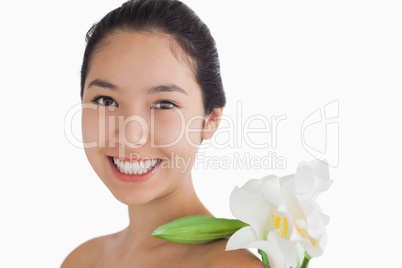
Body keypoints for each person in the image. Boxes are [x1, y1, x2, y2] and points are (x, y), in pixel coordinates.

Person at [62, 0, 264, 267]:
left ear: (210, 120)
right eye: (106, 100)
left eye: (164, 104)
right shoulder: (82, 260)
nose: (130, 135)